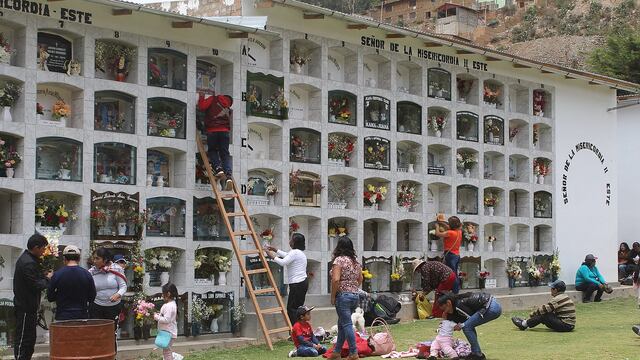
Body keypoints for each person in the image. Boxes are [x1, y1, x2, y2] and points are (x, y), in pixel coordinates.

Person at [13, 234, 52, 360]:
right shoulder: (27, 263)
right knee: (24, 340)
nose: (44, 251)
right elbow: (36, 285)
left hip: (30, 308)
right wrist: (48, 279)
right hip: (25, 308)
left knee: (29, 340)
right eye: (42, 248)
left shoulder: (31, 260)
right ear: (35, 248)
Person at [437, 292, 502, 360]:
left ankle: (478, 355)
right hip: (491, 304)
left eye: (444, 309)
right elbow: (466, 321)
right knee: (468, 326)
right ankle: (475, 352)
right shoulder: (457, 303)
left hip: (492, 308)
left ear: (448, 303)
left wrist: (460, 325)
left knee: (466, 326)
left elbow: (469, 317)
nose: (444, 311)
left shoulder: (459, 305)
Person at [329, 237, 362, 360]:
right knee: (342, 324)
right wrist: (352, 288)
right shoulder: (356, 261)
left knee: (347, 324)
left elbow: (336, 279)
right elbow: (360, 279)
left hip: (343, 296)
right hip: (354, 296)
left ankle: (353, 353)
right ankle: (336, 352)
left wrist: (333, 296)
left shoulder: (339, 260)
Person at [266, 233, 308, 327]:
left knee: (292, 309)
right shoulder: (298, 252)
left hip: (297, 284)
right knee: (298, 308)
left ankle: (294, 331)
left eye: (291, 239)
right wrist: (274, 249)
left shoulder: (295, 252)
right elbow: (286, 255)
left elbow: (283, 262)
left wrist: (270, 254)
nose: (290, 241)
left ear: (295, 242)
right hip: (302, 283)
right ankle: (299, 329)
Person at [89, 248, 127, 351]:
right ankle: (98, 354)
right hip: (96, 306)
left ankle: (111, 354)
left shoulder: (117, 269)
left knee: (111, 332)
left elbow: (123, 286)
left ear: (105, 259)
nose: (94, 260)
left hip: (113, 307)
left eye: (97, 258)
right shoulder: (92, 272)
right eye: (94, 258)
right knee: (97, 332)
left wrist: (118, 294)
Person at [47, 245, 96, 321]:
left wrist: (60, 295)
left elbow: (50, 297)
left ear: (64, 259)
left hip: (62, 316)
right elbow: (92, 296)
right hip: (82, 315)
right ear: (79, 259)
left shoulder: (57, 274)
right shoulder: (86, 274)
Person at [198, 92, 233, 190]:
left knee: (213, 150)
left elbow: (201, 107)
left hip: (212, 131)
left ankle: (218, 168)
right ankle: (229, 175)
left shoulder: (213, 99)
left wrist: (201, 97)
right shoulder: (228, 109)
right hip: (225, 132)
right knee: (225, 154)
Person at [511, 280, 575, 332]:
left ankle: (523, 324)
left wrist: (532, 314)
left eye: (551, 288)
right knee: (546, 314)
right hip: (570, 325)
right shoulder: (565, 297)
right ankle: (525, 322)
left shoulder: (557, 299)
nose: (550, 290)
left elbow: (544, 309)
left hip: (566, 325)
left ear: (555, 290)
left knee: (544, 315)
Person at [433, 216, 462, 293]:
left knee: (451, 274)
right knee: (455, 273)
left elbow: (438, 234)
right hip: (457, 255)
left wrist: (437, 226)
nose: (447, 224)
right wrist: (441, 222)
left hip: (450, 255)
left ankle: (455, 292)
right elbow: (449, 227)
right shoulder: (459, 232)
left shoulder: (450, 233)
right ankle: (455, 290)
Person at [154, 283, 178, 360]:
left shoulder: (169, 306)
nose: (162, 295)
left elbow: (166, 320)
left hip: (168, 333)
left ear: (168, 294)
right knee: (167, 351)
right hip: (169, 332)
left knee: (167, 352)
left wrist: (156, 317)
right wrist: (159, 315)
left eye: (163, 293)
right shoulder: (171, 304)